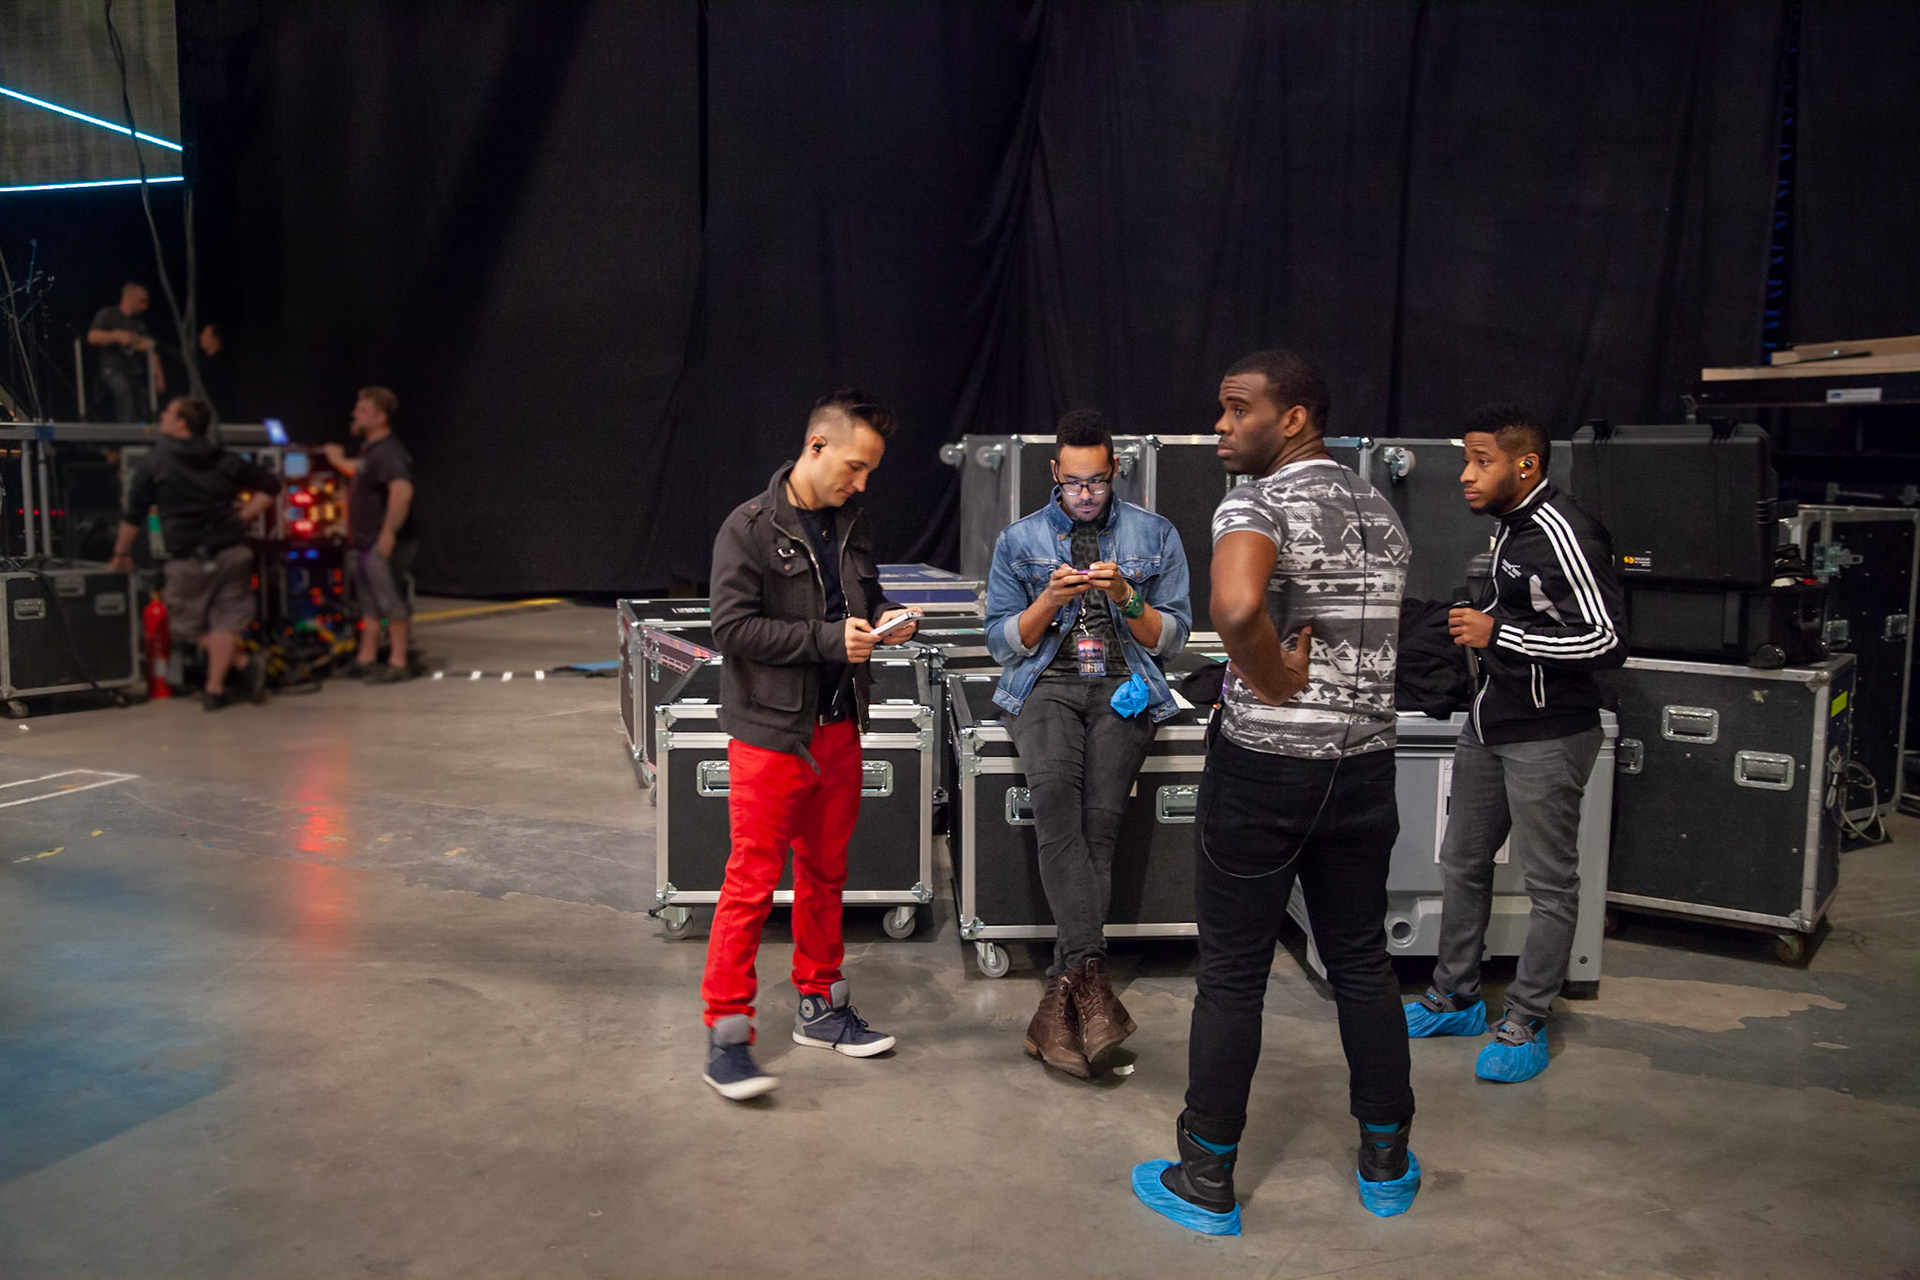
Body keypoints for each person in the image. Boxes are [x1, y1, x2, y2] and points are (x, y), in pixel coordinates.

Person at [1133, 350, 1417, 1235]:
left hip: (1267, 771)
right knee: (1363, 964)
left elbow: (1235, 606)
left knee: (1233, 975)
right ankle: (1387, 1160)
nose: (1221, 425)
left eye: (1235, 408)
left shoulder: (1256, 499)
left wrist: (1269, 677)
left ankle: (1207, 1176)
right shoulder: (1378, 503)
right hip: (1365, 770)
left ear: (1293, 418)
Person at [698, 388, 922, 1101]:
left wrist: (887, 616)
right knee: (750, 884)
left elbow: (865, 594)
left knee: (825, 874)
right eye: (854, 467)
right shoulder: (749, 527)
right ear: (817, 447)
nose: (860, 485)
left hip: (838, 729)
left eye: (868, 475)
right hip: (770, 735)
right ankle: (727, 1036)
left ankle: (821, 1009)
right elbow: (731, 630)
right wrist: (830, 639)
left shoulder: (853, 521)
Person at [1402, 404, 1625, 1082]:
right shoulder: (1510, 527)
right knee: (1462, 860)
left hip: (1551, 733)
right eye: (1466, 460)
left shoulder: (1563, 530)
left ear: (1525, 465)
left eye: (1481, 462)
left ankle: (1526, 1018)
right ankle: (1456, 995)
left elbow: (1606, 638)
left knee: (1551, 883)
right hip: (1489, 724)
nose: (1466, 476)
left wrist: (1500, 635)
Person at [983, 408, 1191, 1079]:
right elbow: (999, 641)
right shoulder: (1019, 540)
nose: (1084, 495)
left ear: (1115, 472)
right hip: (1044, 687)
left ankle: (1061, 1003)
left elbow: (1174, 638)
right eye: (1073, 483)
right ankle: (1091, 987)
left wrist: (1129, 597)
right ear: (1053, 475)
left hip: (1126, 688)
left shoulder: (1155, 535)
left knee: (1099, 830)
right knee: (1054, 810)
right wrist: (1046, 603)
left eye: (1096, 483)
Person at [110, 396, 277, 711]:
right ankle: (223, 681)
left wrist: (121, 552)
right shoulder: (223, 458)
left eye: (169, 413)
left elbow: (133, 515)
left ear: (181, 424)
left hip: (188, 558)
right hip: (232, 551)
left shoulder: (155, 463)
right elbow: (271, 485)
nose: (162, 415)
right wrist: (243, 517)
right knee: (225, 622)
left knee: (185, 625)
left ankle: (231, 673)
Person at [324, 387, 415, 682]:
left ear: (380, 417)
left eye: (362, 410)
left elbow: (401, 492)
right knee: (369, 604)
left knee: (390, 600)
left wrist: (387, 534)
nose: (355, 414)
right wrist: (338, 461)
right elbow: (362, 471)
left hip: (381, 542)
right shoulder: (373, 451)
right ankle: (367, 656)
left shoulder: (390, 452)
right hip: (363, 541)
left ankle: (399, 661)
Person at [88, 282, 162, 422]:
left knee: (142, 402)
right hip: (112, 370)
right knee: (124, 392)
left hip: (135, 372)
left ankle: (142, 435)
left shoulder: (140, 323)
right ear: (129, 298)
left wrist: (158, 376)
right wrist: (116, 336)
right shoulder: (108, 315)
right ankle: (127, 435)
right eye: (141, 301)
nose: (145, 306)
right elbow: (92, 337)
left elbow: (152, 350)